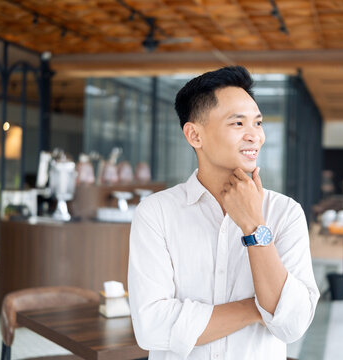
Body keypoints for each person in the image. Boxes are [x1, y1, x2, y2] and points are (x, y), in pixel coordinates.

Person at [128, 66, 319, 360]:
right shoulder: (156, 213)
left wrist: (254, 226)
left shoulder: (286, 213)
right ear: (194, 135)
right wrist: (256, 307)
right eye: (238, 123)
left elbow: (292, 326)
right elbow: (151, 327)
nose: (255, 136)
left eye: (258, 123)